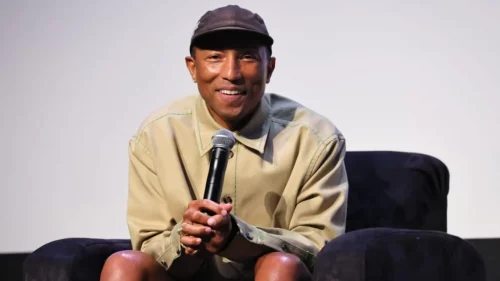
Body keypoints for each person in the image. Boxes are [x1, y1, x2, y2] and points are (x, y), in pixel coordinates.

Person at [100, 4, 348, 281]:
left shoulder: (315, 138)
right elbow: (147, 246)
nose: (232, 73)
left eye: (247, 57)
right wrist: (184, 238)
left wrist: (238, 238)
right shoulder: (156, 135)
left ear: (270, 68)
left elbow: (319, 247)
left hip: (270, 276)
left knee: (280, 266)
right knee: (124, 265)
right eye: (215, 57)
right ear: (192, 68)